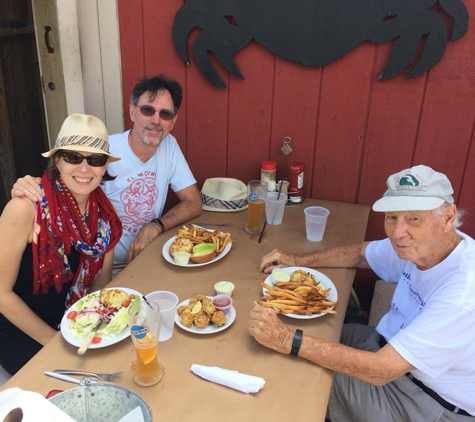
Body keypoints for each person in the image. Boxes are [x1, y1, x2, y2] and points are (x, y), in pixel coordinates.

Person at [249, 165, 475, 420]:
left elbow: (382, 370)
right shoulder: (425, 245)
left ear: (447, 217)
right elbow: (360, 254)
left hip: (421, 401)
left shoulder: (463, 292)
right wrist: (297, 260)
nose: (398, 232)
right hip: (383, 347)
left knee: (293, 373)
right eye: (392, 217)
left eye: (414, 218)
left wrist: (287, 340)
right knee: (297, 334)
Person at [11, 75, 202, 270]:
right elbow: (60, 187)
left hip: (144, 259)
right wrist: (31, 187)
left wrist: (156, 226)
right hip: (97, 266)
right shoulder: (100, 150)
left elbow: (194, 202)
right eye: (147, 110)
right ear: (132, 112)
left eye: (165, 114)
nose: (155, 120)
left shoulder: (168, 146)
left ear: (174, 120)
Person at [0, 114, 122, 375]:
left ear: (105, 166)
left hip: (73, 320)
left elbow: (100, 285)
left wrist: (97, 327)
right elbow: (1, 293)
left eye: (96, 159)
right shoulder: (25, 207)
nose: (84, 168)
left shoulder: (104, 215)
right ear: (57, 160)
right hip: (22, 327)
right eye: (73, 157)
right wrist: (54, 342)